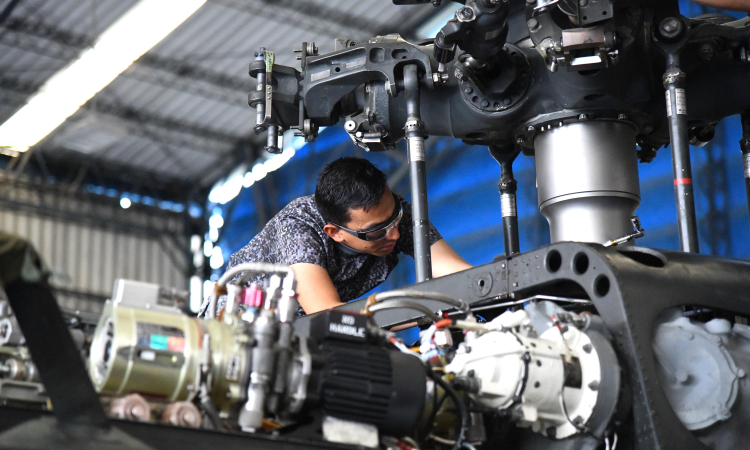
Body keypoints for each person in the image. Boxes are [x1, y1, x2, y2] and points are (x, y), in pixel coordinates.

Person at [200, 157, 471, 316]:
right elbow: (328, 314)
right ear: (335, 232)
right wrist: (420, 311)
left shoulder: (393, 217)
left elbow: (460, 275)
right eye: (376, 231)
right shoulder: (299, 228)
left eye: (396, 217)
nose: (396, 233)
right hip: (230, 329)